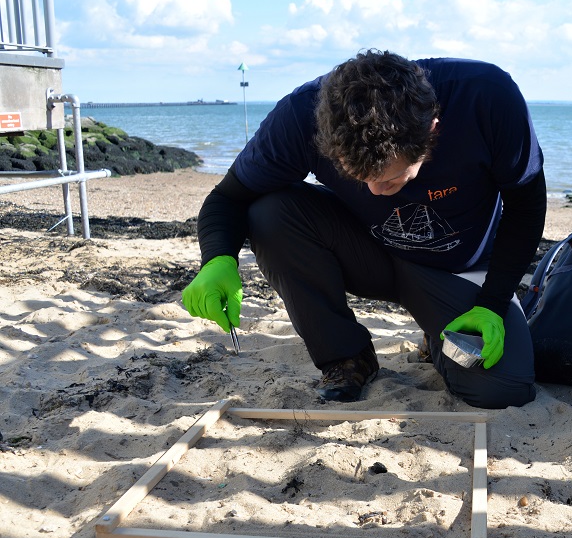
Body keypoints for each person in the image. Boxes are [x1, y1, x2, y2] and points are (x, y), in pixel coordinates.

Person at [181, 49, 546, 409]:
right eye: (358, 177)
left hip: (458, 268)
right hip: (367, 251)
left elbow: (526, 207)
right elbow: (227, 198)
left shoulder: (486, 96)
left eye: (390, 180)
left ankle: (435, 333)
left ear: (432, 132)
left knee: (502, 389)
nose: (374, 191)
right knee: (268, 211)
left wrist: (492, 304)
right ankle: (347, 357)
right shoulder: (300, 116)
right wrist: (217, 260)